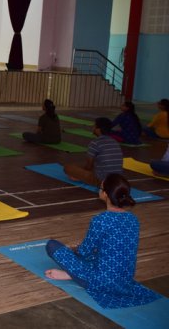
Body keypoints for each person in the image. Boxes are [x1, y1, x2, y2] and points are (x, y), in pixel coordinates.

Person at [45, 174, 161, 309]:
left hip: (101, 281)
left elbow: (83, 253)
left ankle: (71, 275)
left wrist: (75, 249)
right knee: (97, 253)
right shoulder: (133, 219)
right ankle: (75, 274)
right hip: (124, 280)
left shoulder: (101, 220)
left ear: (105, 194)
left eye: (100, 188)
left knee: (52, 245)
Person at [64, 117, 123, 186]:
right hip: (117, 178)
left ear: (98, 129)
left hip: (101, 180)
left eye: (94, 126)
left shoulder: (95, 143)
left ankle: (81, 178)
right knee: (81, 166)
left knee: (68, 167)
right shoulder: (114, 141)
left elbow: (89, 166)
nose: (93, 128)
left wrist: (81, 175)